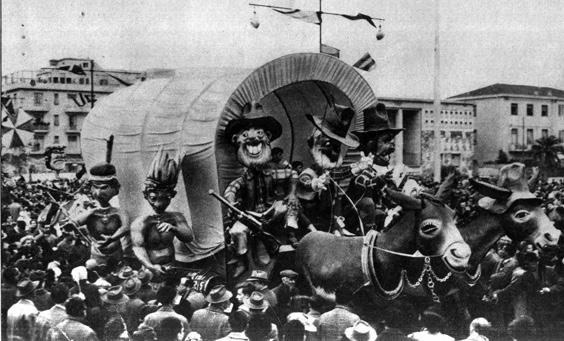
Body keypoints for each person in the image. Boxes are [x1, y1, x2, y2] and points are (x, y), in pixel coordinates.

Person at [223, 101, 300, 277]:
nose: (253, 139)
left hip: (272, 211)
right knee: (237, 231)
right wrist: (231, 201)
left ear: (267, 137)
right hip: (251, 215)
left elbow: (292, 174)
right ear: (237, 140)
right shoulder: (244, 177)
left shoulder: (274, 172)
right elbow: (231, 188)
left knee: (289, 206)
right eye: (246, 134)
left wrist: (292, 193)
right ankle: (242, 261)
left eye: (259, 133)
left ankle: (291, 233)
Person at [297, 102, 363, 236]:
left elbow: (339, 174)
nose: (333, 152)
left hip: (328, 226)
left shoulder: (331, 173)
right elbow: (305, 183)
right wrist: (315, 184)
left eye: (337, 147)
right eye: (328, 144)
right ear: (313, 144)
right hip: (310, 229)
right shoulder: (308, 173)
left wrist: (357, 168)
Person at [63, 138, 131, 265]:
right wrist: (70, 224)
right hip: (96, 255)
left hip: (116, 253)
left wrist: (111, 239)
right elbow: (74, 223)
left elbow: (125, 227)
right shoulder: (91, 213)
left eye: (104, 187)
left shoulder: (119, 211)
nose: (99, 193)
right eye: (96, 187)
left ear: (115, 189)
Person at [131, 147, 194, 276]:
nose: (159, 204)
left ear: (172, 195)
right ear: (146, 195)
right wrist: (151, 267)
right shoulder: (141, 222)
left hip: (171, 265)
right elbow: (138, 248)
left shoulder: (176, 217)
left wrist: (173, 228)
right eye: (154, 198)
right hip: (151, 269)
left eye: (164, 198)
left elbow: (188, 237)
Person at [346, 103, 404, 232]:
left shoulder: (387, 169)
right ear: (371, 145)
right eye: (386, 141)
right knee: (371, 207)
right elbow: (361, 186)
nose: (391, 147)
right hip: (357, 220)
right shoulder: (361, 168)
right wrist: (380, 181)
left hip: (382, 214)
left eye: (391, 141)